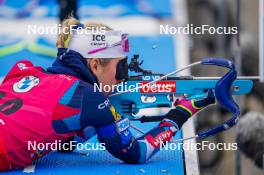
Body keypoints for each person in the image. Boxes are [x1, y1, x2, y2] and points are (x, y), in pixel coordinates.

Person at [0, 17, 215, 171]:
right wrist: (182, 112)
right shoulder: (89, 98)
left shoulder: (24, 71)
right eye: (120, 68)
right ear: (94, 65)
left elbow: (62, 142)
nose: (122, 78)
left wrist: (103, 119)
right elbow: (136, 153)